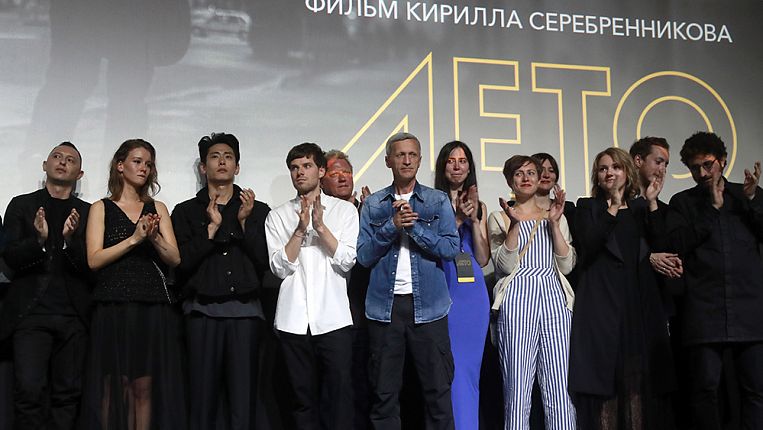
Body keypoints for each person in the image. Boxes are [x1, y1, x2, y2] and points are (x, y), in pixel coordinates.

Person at [357, 132, 460, 430]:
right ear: (388, 160)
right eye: (400, 155)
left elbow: (451, 248)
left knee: (438, 393)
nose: (406, 160)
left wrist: (415, 229)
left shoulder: (437, 200)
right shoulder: (374, 204)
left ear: (420, 160)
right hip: (385, 310)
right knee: (384, 395)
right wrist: (392, 226)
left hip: (429, 308)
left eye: (412, 154)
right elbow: (363, 256)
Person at [81, 139, 185, 430]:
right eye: (137, 161)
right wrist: (134, 239)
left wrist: (153, 238)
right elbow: (94, 259)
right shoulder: (101, 207)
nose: (144, 168)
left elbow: (175, 258)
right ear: (120, 165)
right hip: (113, 305)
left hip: (151, 306)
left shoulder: (157, 207)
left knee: (143, 387)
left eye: (148, 164)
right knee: (114, 385)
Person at [569, 147, 675, 430]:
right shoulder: (587, 207)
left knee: (637, 386)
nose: (610, 173)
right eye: (603, 168)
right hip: (602, 309)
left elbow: (661, 245)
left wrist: (652, 204)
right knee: (606, 386)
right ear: (597, 176)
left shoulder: (641, 208)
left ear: (627, 172)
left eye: (616, 167)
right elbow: (589, 246)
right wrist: (613, 207)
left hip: (638, 308)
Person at [172, 133, 270, 430]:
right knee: (202, 399)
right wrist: (210, 231)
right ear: (204, 167)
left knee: (244, 399)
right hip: (201, 312)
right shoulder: (186, 211)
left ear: (237, 167)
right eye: (215, 157)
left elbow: (266, 262)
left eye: (228, 156)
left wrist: (243, 223)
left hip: (246, 313)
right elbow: (181, 262)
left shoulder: (258, 210)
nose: (222, 162)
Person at [666, 132, 763, 429]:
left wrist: (752, 199)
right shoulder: (682, 202)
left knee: (756, 390)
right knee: (704, 390)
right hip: (704, 310)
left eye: (708, 165)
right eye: (695, 168)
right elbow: (678, 244)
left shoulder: (745, 195)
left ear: (722, 161)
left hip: (749, 308)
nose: (702, 173)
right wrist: (712, 210)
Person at [265, 143, 358, 429]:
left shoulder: (344, 211)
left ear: (320, 171)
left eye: (306, 166)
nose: (299, 173)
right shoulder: (278, 216)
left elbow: (346, 261)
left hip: (333, 319)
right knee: (301, 400)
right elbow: (279, 267)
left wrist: (320, 227)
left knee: (339, 398)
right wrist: (299, 231)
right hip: (293, 321)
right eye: (294, 168)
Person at [0, 142, 91, 429]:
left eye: (71, 160)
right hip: (30, 315)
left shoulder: (89, 211)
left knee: (68, 395)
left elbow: (92, 265)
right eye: (57, 157)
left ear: (80, 174)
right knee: (28, 391)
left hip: (74, 316)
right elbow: (10, 256)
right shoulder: (21, 205)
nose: (63, 162)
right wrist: (38, 240)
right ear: (45, 165)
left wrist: (69, 241)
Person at [487, 155, 576, 429]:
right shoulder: (499, 217)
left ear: (539, 179)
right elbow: (504, 265)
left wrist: (554, 223)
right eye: (519, 173)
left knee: (559, 388)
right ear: (509, 180)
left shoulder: (555, 216)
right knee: (517, 388)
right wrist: (514, 224)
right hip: (517, 301)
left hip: (554, 300)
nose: (526, 178)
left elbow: (567, 265)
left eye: (531, 173)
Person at [432, 141, 490, 430]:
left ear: (470, 167)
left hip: (473, 296)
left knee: (469, 372)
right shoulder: (432, 202)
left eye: (463, 160)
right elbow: (435, 248)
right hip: (444, 287)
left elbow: (482, 258)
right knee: (448, 372)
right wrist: (456, 218)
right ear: (443, 166)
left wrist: (475, 220)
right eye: (451, 160)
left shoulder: (480, 205)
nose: (457, 166)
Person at [321, 149, 372, 429]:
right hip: (327, 317)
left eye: (347, 172)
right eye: (335, 173)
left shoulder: (367, 210)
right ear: (321, 178)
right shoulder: (316, 215)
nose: (343, 178)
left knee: (364, 387)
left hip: (363, 315)